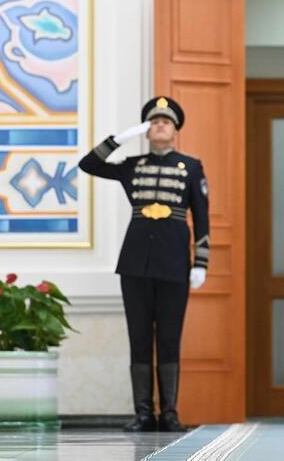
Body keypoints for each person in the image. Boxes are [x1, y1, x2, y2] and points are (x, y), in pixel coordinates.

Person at [79, 96, 210, 432]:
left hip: (174, 263)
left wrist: (201, 263)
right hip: (135, 262)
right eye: (154, 122)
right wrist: (119, 139)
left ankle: (169, 413)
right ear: (146, 131)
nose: (160, 126)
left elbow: (203, 218)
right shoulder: (132, 165)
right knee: (139, 337)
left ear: (175, 130)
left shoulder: (191, 167)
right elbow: (88, 164)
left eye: (166, 121)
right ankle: (142, 413)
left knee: (168, 338)